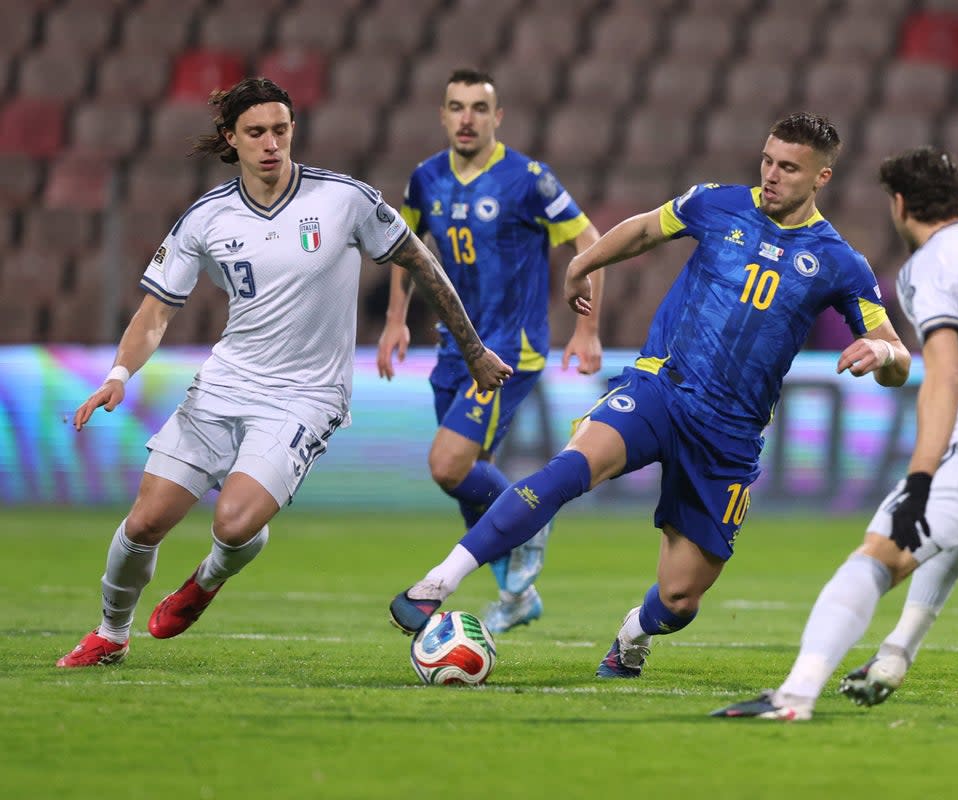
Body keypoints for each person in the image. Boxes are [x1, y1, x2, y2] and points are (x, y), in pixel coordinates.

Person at [388, 112, 912, 679]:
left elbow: (897, 357)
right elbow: (643, 230)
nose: (771, 175)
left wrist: (882, 355)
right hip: (662, 386)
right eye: (767, 160)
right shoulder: (716, 204)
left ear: (821, 178)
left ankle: (633, 634)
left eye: (789, 168)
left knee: (681, 599)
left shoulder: (840, 263)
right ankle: (436, 582)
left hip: (730, 435)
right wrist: (583, 263)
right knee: (567, 471)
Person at [56, 77, 511, 668]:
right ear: (232, 138)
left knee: (234, 521)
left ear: (292, 129)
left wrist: (473, 349)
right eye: (256, 132)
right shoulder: (205, 218)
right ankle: (110, 633)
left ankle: (207, 580)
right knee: (143, 524)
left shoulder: (344, 200)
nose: (271, 143)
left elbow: (420, 260)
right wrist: (119, 373)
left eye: (281, 129)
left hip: (307, 394)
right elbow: (154, 314)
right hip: (227, 382)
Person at [711, 146, 958, 721]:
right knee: (957, 523)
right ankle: (896, 653)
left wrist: (920, 480)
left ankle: (794, 697)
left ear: (899, 205)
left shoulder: (928, 265)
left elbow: (944, 376)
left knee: (876, 558)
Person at [375, 68, 603, 634]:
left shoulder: (528, 180)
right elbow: (404, 249)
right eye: (456, 107)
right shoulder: (425, 179)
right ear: (443, 114)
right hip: (453, 346)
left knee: (447, 465)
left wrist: (586, 328)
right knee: (473, 476)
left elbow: (588, 238)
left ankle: (534, 514)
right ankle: (516, 593)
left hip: (509, 349)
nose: (467, 118)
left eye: (479, 108)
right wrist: (395, 321)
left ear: (497, 117)